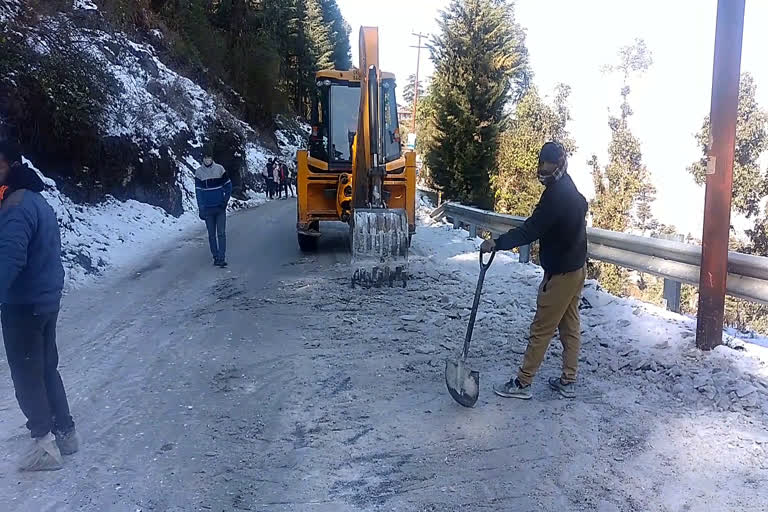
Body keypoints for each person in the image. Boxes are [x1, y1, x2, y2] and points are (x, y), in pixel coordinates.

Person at [481, 141, 588, 400]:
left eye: (547, 164)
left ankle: (523, 383)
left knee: (541, 328)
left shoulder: (556, 195)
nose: (542, 169)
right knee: (570, 325)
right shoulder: (567, 185)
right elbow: (583, 205)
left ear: (558, 164)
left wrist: (497, 243)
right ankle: (569, 380)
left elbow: (531, 230)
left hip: (561, 273)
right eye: (541, 163)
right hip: (576, 268)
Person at [0, 141, 78, 471]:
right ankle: (65, 433)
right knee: (45, 368)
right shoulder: (36, 199)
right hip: (45, 298)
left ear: (12, 166)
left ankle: (44, 445)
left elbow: (9, 257)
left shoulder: (15, 205)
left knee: (26, 373)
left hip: (24, 303)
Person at [195, 151, 232, 267]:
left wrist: (225, 201)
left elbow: (229, 186)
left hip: (220, 208)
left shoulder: (220, 169)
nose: (207, 159)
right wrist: (201, 208)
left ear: (212, 158)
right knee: (211, 235)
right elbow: (198, 192)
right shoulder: (199, 173)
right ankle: (215, 256)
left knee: (221, 233)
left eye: (209, 157)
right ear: (203, 158)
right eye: (205, 157)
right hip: (208, 209)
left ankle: (222, 257)